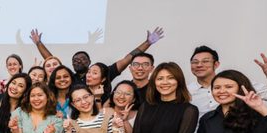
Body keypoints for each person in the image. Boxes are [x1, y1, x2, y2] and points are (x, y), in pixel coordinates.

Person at [30, 27, 165, 85]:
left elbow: (127, 59)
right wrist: (38, 43)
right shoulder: (70, 78)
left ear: (89, 62)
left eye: (83, 59)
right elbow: (52, 61)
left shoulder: (103, 73)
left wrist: (147, 43)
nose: (79, 61)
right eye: (75, 60)